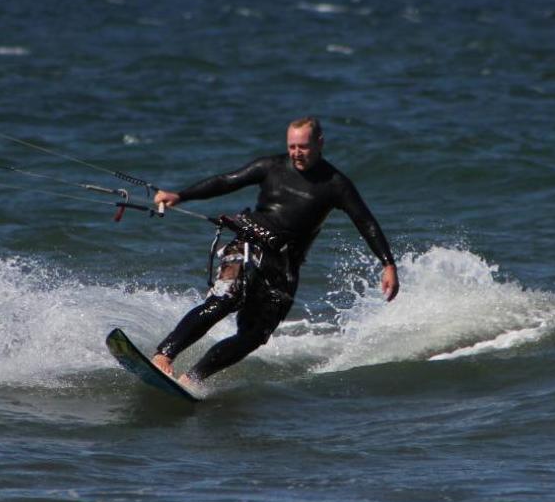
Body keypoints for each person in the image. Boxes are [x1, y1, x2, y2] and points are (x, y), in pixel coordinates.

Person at [150, 117, 398, 387]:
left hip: (284, 266)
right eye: (292, 146)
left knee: (254, 336)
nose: (296, 153)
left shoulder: (335, 184)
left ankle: (191, 379)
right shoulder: (271, 166)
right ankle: (164, 354)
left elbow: (365, 221)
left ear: (320, 143)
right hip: (249, 245)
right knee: (225, 300)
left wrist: (387, 264)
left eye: (303, 147)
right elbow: (227, 181)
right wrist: (180, 195)